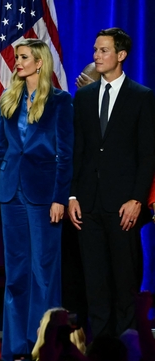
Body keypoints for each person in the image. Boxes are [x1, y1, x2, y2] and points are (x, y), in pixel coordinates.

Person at [0, 38, 74, 360]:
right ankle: (16, 348)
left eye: (23, 57)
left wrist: (59, 197)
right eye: (16, 58)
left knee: (44, 272)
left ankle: (46, 346)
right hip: (10, 195)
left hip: (43, 195)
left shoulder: (60, 102)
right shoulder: (9, 100)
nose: (17, 63)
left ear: (39, 62)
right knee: (17, 272)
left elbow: (65, 155)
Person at [68, 27, 155, 339]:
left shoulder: (142, 97)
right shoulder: (84, 96)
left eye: (103, 51)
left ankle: (127, 344)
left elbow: (148, 155)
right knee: (95, 280)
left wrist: (137, 199)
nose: (96, 56)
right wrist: (73, 194)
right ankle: (100, 345)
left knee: (124, 279)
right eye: (95, 50)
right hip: (88, 204)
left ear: (121, 55)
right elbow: (78, 150)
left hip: (123, 206)